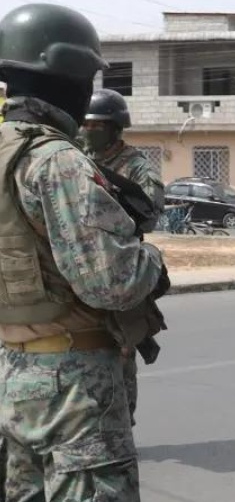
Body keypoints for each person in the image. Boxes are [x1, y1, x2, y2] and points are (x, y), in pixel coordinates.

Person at [0, 3, 168, 502]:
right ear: (70, 77)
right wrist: (153, 260)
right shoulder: (55, 160)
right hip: (74, 389)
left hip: (13, 375)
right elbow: (113, 280)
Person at [81, 88, 165, 426]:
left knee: (122, 350)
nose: (87, 130)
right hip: (83, 264)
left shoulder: (137, 167)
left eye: (96, 125)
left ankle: (122, 424)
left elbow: (151, 214)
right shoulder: (77, 160)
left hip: (121, 266)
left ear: (115, 127)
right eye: (84, 123)